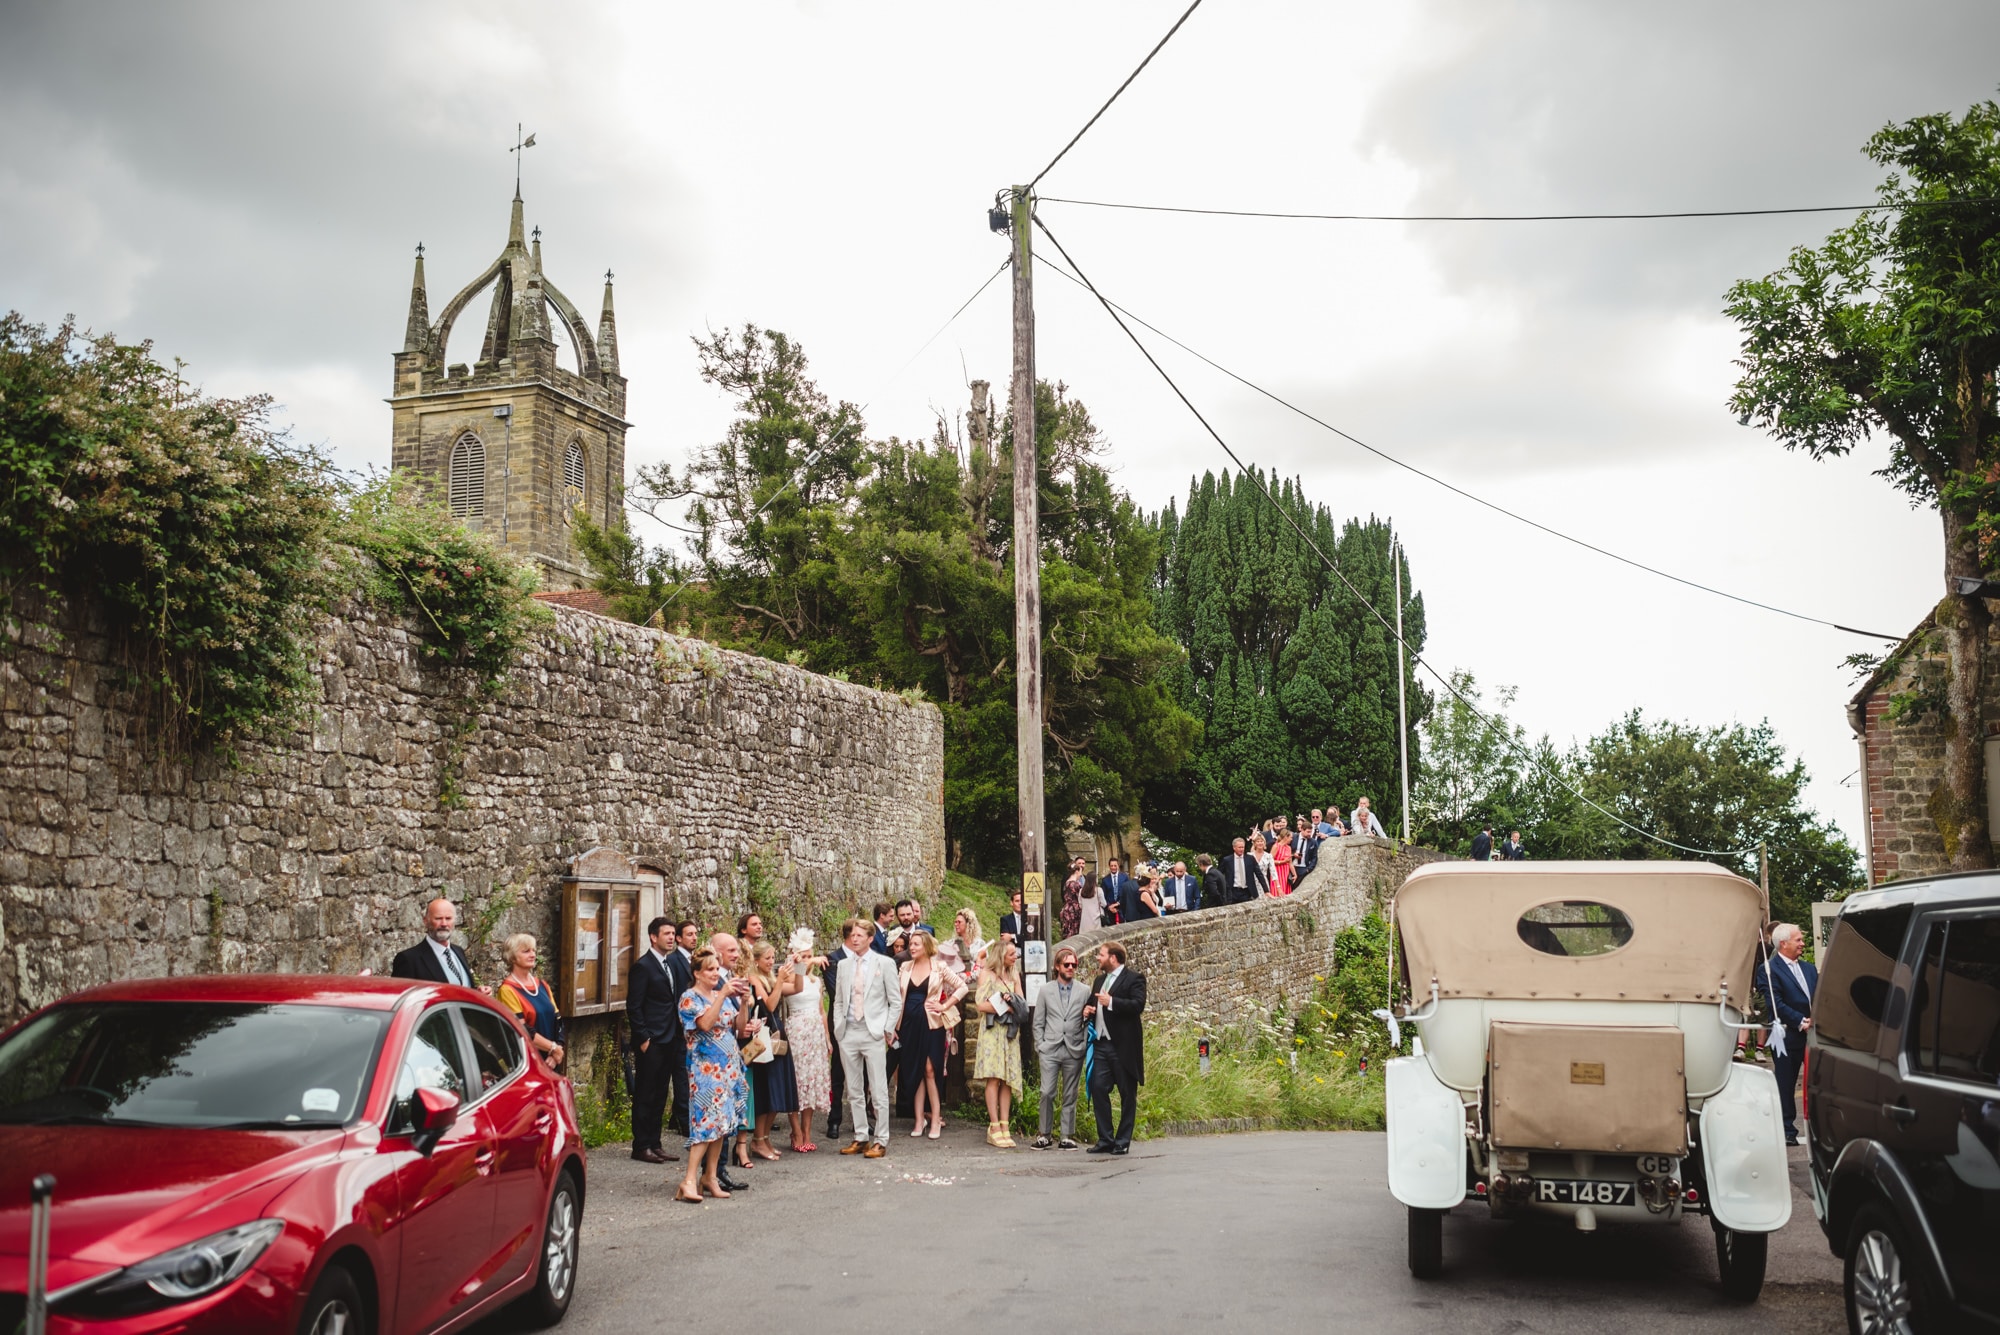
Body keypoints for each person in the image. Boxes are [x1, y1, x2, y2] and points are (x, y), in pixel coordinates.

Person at [674, 947, 755, 1202]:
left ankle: (709, 1176)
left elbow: (740, 1028)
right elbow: (705, 1024)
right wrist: (722, 996)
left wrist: (743, 1003)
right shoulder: (690, 998)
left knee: (722, 1125)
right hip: (706, 1070)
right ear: (697, 973)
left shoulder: (720, 994)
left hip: (729, 1067)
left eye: (715, 968)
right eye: (709, 969)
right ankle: (688, 1179)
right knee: (705, 1124)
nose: (714, 973)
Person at [831, 918, 899, 1158]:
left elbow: (895, 1000)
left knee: (879, 1088)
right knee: (854, 1089)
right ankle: (860, 1136)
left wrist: (886, 1029)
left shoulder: (885, 963)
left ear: (870, 939)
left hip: (873, 1031)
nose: (855, 938)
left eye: (860, 935)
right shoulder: (843, 966)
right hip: (849, 1031)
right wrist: (839, 1028)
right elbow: (839, 1000)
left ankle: (881, 1139)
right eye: (853, 935)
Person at [896, 931, 967, 1139]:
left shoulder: (940, 967)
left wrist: (944, 1005)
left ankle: (935, 1118)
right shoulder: (904, 967)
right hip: (908, 1025)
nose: (912, 947)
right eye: (911, 944)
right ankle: (919, 1120)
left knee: (930, 1070)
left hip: (931, 1024)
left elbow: (962, 987)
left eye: (916, 944)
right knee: (915, 1071)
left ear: (926, 946)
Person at [625, 917, 683, 1164]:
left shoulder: (669, 964)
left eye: (673, 933)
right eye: (666, 933)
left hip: (670, 1036)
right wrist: (644, 1038)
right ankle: (641, 1145)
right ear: (653, 937)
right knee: (646, 1093)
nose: (671, 937)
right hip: (652, 1039)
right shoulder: (643, 966)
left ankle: (655, 1142)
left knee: (661, 1093)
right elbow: (634, 1005)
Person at [1084, 940, 1146, 1155]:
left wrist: (1111, 1002)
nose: (1098, 958)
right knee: (1098, 1088)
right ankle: (1105, 1139)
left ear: (1113, 958)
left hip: (1123, 1046)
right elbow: (1094, 1004)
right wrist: (1089, 1011)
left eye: (1101, 955)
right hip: (1101, 1044)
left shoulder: (1134, 979)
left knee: (1127, 1094)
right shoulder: (1099, 980)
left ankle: (1122, 1141)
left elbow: (1138, 1005)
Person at [1761, 922, 1818, 1146]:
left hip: (1814, 1034)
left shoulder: (1810, 969)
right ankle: (1786, 1129)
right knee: (1786, 1083)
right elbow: (1775, 1003)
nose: (1803, 943)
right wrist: (1801, 1021)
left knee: (1818, 1083)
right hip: (1787, 1035)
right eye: (1799, 940)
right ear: (1783, 944)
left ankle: (1818, 1128)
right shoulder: (1768, 969)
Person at [743, 942, 801, 1162]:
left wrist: (799, 967)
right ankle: (758, 1139)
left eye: (773, 957)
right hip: (763, 1038)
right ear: (756, 960)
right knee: (767, 1091)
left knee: (778, 1090)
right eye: (767, 958)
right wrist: (778, 981)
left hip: (777, 1036)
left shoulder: (769, 978)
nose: (771, 962)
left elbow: (797, 988)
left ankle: (764, 1138)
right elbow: (769, 1005)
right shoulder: (754, 978)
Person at [1031, 945, 1089, 1150]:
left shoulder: (1084, 990)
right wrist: (1041, 1045)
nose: (1071, 968)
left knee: (1070, 1093)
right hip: (1051, 1048)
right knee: (1047, 1091)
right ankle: (1044, 1134)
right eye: (1067, 964)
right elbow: (1038, 1021)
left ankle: (1066, 1135)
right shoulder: (1046, 990)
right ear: (1057, 966)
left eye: (1074, 965)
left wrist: (1082, 1043)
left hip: (1073, 1048)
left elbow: (1087, 1021)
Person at [710, 932, 756, 1183]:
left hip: (731, 1052)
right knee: (715, 1118)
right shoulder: (711, 981)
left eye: (736, 950)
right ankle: (712, 1172)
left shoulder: (730, 978)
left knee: (728, 1115)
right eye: (730, 951)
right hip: (712, 1058)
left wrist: (744, 1003)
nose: (736, 955)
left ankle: (721, 1170)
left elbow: (739, 1026)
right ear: (716, 952)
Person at [975, 941, 1025, 1148]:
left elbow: (1021, 1000)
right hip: (992, 1031)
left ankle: (1005, 1125)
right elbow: (980, 1004)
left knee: (1007, 1079)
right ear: (1001, 955)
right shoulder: (987, 974)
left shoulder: (1014, 975)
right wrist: (1006, 1004)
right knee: (994, 1077)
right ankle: (993, 1125)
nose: (1015, 957)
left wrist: (1013, 1003)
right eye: (1011, 954)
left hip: (1009, 1032)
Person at [495, 933, 566, 1069]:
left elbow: (559, 1021)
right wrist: (552, 1048)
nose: (533, 954)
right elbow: (522, 1030)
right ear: (512, 957)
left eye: (533, 950)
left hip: (552, 1060)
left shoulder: (543, 985)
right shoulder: (507, 990)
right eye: (526, 951)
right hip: (529, 1063)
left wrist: (557, 1051)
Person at [390, 897, 482, 989]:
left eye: (448, 918)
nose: (444, 923)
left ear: (454, 921)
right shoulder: (409, 959)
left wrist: (479, 993)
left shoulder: (459, 951)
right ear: (426, 921)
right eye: (438, 918)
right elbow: (401, 997)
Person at [667, 920, 699, 1138]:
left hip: (693, 1027)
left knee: (688, 1072)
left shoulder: (693, 960)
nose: (694, 938)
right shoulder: (674, 960)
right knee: (680, 1074)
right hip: (680, 1027)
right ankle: (682, 1118)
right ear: (679, 938)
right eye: (689, 934)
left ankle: (676, 1116)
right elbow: (676, 994)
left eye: (696, 934)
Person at [1220, 837, 1267, 904]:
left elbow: (1259, 874)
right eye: (1239, 847)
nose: (1241, 849)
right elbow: (1219, 875)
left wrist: (1266, 890)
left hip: (1246, 891)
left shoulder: (1250, 859)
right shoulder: (1227, 860)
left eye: (1243, 847)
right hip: (1233, 891)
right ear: (1234, 848)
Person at [951, 908, 988, 981]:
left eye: (959, 922)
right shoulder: (953, 943)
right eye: (955, 922)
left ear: (968, 924)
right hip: (957, 981)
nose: (956, 924)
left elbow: (983, 967)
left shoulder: (979, 943)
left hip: (976, 980)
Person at [1099, 860, 1135, 926]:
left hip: (1122, 909)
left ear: (1118, 866)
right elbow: (1103, 896)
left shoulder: (1124, 877)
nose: (1113, 867)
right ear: (1109, 866)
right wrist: (1109, 906)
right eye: (1111, 866)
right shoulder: (1105, 880)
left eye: (1115, 865)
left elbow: (1127, 893)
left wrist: (1118, 903)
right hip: (1110, 911)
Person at [1060, 858, 1088, 938]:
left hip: (1067, 909)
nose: (1080, 874)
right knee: (1073, 933)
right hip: (1074, 911)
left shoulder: (1067, 882)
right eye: (1080, 872)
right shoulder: (1075, 885)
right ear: (1076, 871)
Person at [1270, 826, 1295, 896]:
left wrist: (1294, 874)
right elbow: (1270, 861)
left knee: (1286, 894)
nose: (1291, 839)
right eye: (1291, 837)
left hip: (1286, 874)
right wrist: (1282, 862)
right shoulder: (1276, 846)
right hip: (1277, 873)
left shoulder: (1288, 848)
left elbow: (1290, 863)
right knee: (1277, 893)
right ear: (1286, 837)